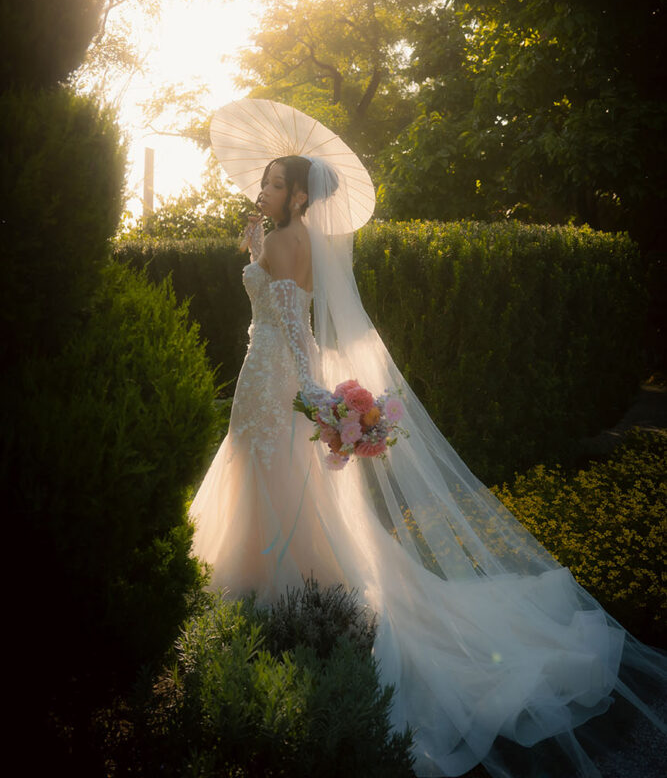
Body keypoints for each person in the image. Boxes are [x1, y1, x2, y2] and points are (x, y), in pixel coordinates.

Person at [191, 152, 666, 778]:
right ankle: (288, 597)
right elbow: (296, 319)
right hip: (280, 375)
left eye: (276, 184)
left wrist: (321, 403)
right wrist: (259, 265)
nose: (264, 189)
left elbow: (283, 328)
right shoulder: (294, 239)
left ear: (300, 198)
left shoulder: (282, 239)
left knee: (268, 475)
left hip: (271, 381)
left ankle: (269, 601)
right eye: (266, 181)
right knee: (276, 478)